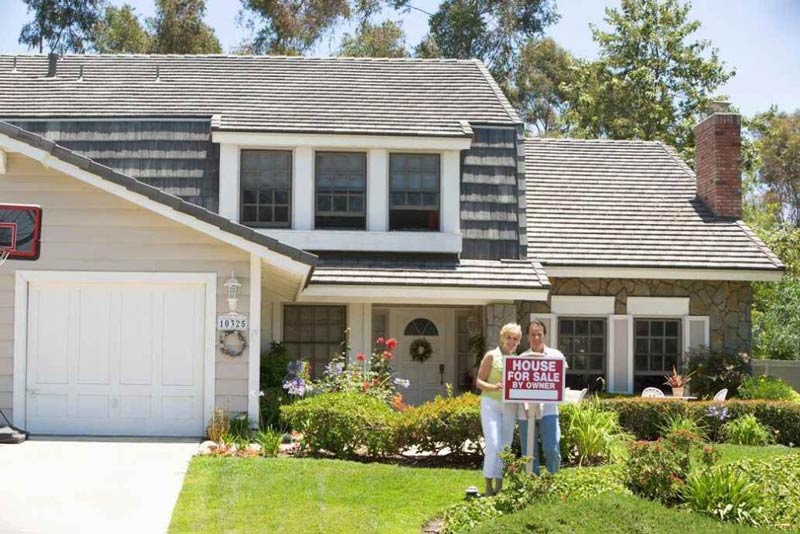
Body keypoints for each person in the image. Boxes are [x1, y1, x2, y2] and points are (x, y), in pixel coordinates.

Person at [475, 322, 522, 497]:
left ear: (518, 341)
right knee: (494, 443)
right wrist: (493, 387)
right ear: (502, 338)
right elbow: (479, 381)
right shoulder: (491, 356)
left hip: (509, 406)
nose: (511, 341)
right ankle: (488, 485)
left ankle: (499, 486)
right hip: (490, 404)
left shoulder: (518, 360)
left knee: (505, 446)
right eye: (509, 337)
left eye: (515, 339)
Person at [518, 320, 568, 475]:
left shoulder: (556, 355)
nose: (536, 338)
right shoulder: (522, 357)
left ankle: (554, 481)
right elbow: (519, 386)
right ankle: (533, 484)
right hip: (525, 413)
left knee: (552, 449)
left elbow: (559, 381)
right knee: (529, 452)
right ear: (528, 337)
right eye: (533, 334)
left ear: (544, 336)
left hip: (549, 411)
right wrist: (526, 405)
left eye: (539, 334)